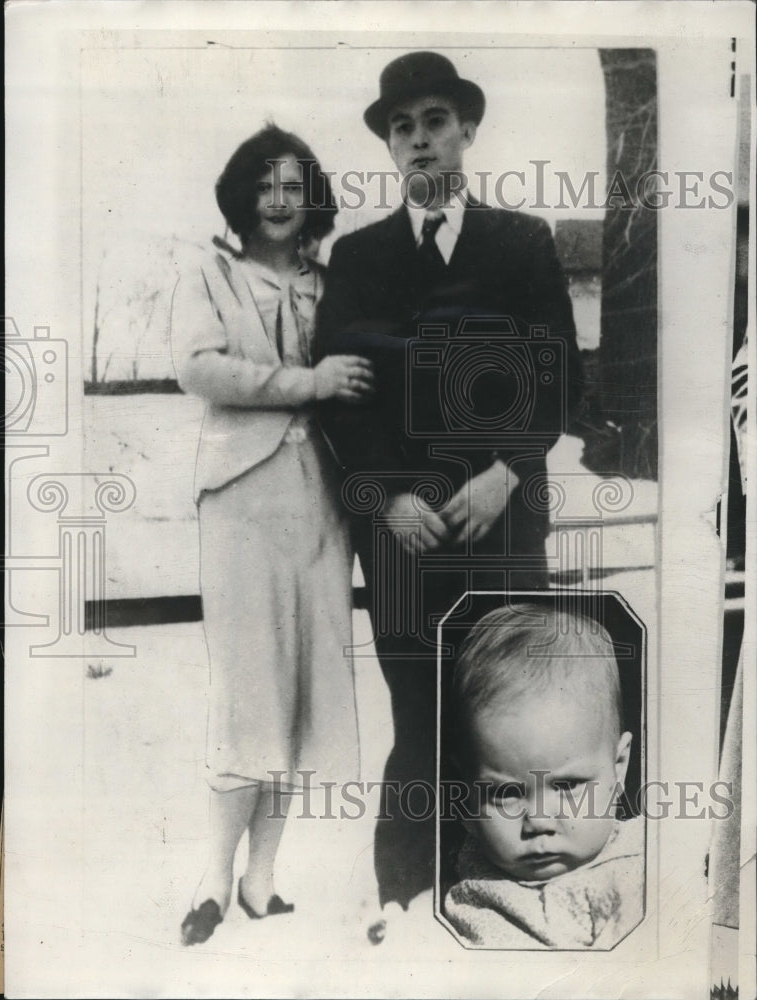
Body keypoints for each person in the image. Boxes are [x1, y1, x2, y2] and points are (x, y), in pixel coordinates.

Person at [315, 51, 582, 937]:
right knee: (418, 710)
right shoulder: (356, 257)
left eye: (434, 121)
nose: (419, 140)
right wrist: (388, 498)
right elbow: (341, 395)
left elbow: (557, 378)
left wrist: (505, 468)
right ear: (389, 146)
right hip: (401, 537)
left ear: (466, 129)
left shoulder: (522, 241)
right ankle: (406, 905)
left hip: (504, 519)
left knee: (506, 707)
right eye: (402, 127)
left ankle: (514, 899)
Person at [170, 124, 375, 945]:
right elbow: (198, 366)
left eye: (294, 186)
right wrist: (307, 382)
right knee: (246, 691)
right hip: (241, 503)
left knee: (298, 694)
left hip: (321, 500)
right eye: (266, 186)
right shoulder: (210, 274)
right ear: (242, 195)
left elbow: (364, 371)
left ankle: (262, 881)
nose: (281, 201)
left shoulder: (334, 283)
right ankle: (210, 880)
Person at [442, 603, 644, 949]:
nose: (537, 821)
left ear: (619, 766)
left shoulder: (640, 875)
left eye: (567, 785)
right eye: (506, 793)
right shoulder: (463, 877)